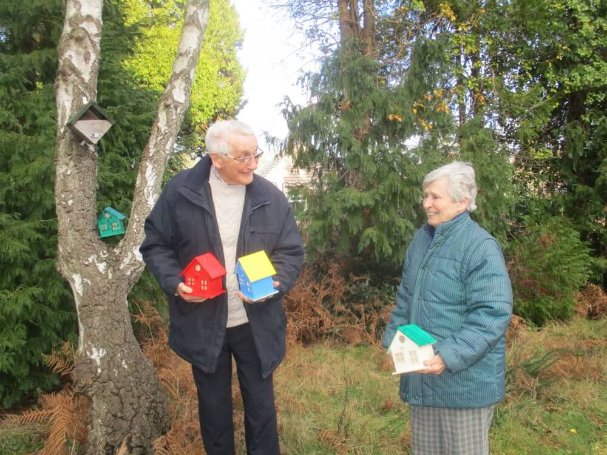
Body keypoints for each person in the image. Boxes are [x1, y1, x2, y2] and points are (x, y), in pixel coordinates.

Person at [140, 119, 304, 455]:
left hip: (255, 323)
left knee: (261, 410)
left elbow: (291, 251)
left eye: (255, 154)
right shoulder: (180, 192)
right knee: (213, 413)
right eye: (243, 157)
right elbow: (156, 246)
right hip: (203, 322)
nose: (254, 164)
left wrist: (279, 280)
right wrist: (177, 282)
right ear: (216, 158)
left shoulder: (270, 197)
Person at [382, 161, 512, 455]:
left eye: (435, 197)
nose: (426, 203)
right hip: (422, 378)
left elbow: (492, 315)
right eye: (425, 195)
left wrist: (447, 355)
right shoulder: (421, 240)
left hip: (464, 385)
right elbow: (406, 298)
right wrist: (394, 343)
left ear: (462, 202)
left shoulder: (480, 247)